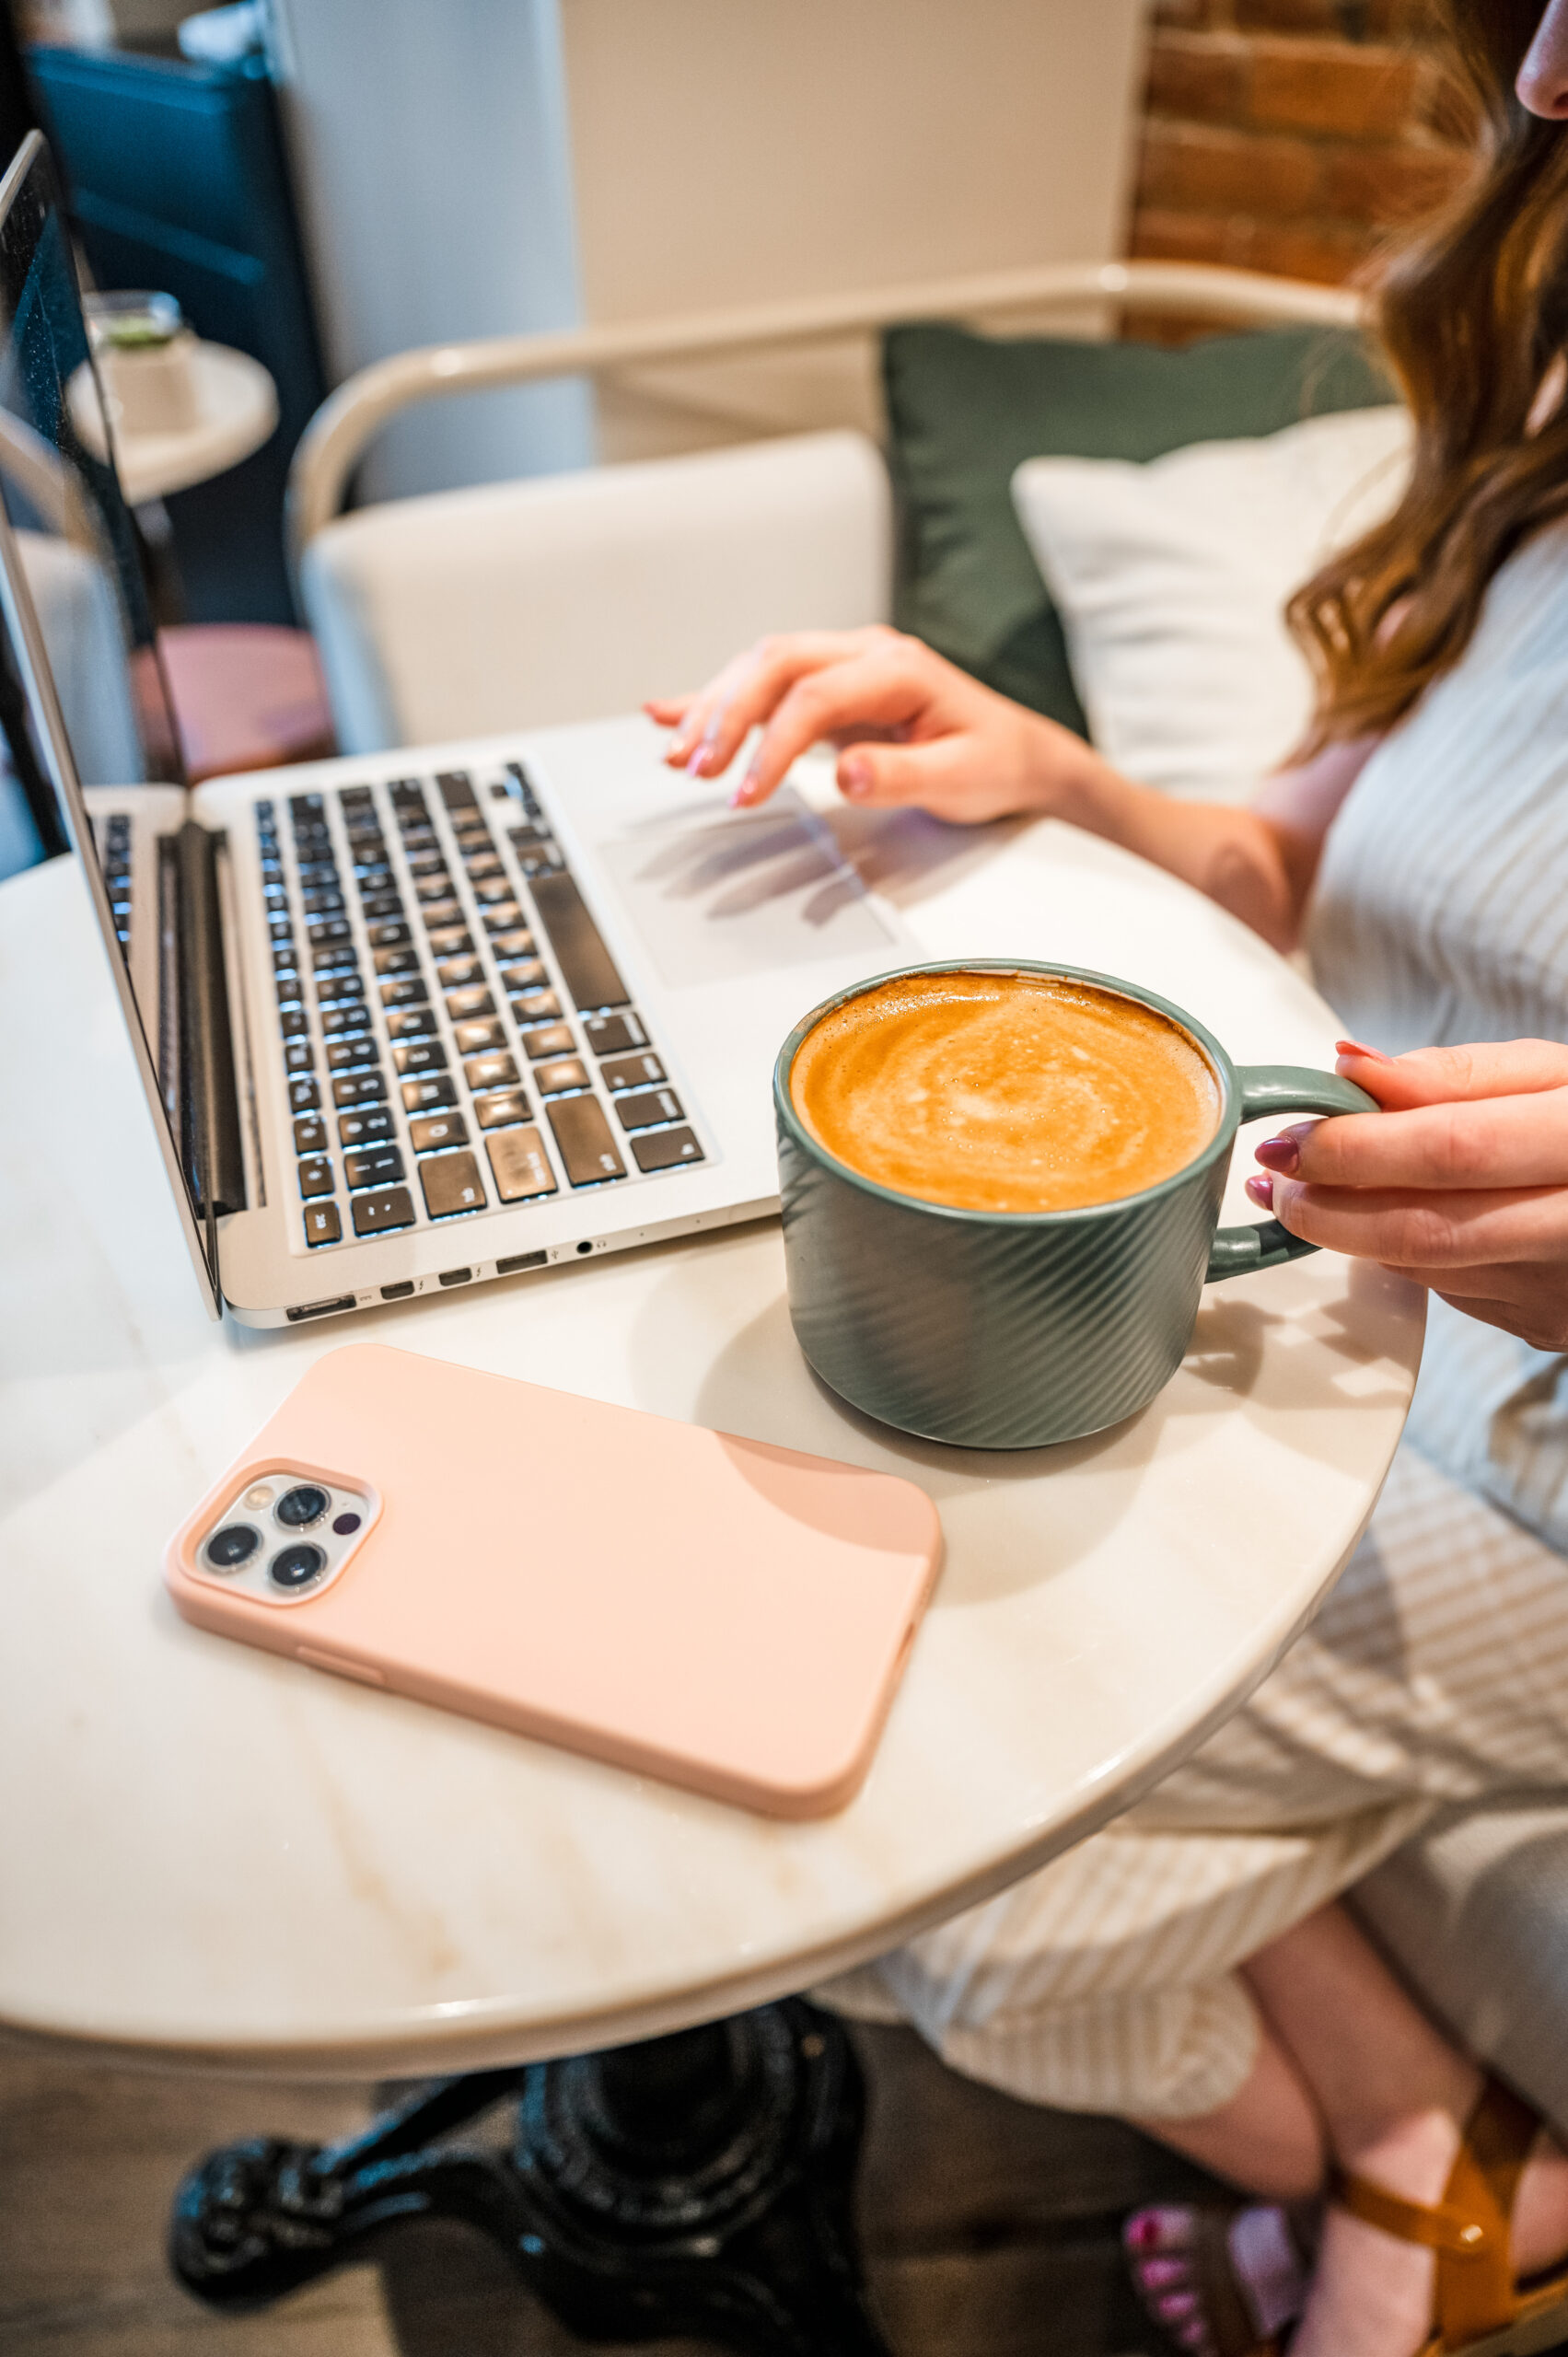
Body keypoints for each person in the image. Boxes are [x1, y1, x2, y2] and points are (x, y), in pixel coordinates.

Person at [645, 5, 1568, 2351]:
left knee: (892, 1813)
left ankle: (1420, 2168)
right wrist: (1054, 772)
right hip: (1296, 1288)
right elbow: (1285, 853)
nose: (1549, 77)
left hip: (1531, 1474)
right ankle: (1416, 2137)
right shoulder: (1553, 424)